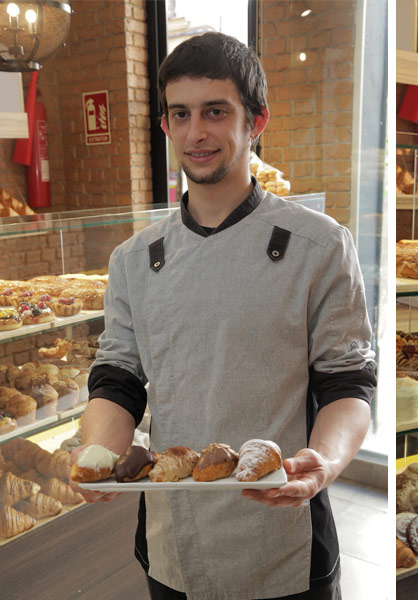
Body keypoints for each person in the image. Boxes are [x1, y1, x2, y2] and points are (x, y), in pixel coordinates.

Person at [70, 32, 376, 599]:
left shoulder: (319, 244)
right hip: (172, 533)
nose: (197, 133)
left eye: (216, 112)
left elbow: (348, 380)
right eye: (181, 114)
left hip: (285, 529)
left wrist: (327, 461)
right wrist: (102, 456)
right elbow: (117, 379)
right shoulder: (134, 260)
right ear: (164, 125)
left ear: (256, 121)